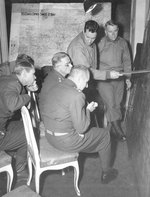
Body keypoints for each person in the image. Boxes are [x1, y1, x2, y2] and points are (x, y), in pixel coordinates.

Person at [39, 65, 118, 184]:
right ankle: (107, 172)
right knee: (105, 135)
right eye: (86, 82)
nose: (86, 86)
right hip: (65, 141)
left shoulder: (55, 87)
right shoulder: (77, 95)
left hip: (50, 136)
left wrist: (84, 110)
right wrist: (87, 111)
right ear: (80, 79)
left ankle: (96, 148)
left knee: (93, 134)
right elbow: (81, 129)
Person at [0, 57, 37, 179]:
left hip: (2, 125)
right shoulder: (13, 84)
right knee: (30, 133)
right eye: (33, 74)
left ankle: (16, 156)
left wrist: (27, 87)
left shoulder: (9, 79)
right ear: (25, 73)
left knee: (28, 126)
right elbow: (12, 104)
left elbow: (12, 92)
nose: (35, 77)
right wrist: (28, 96)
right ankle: (20, 167)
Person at [97, 20, 132, 141]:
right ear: (106, 31)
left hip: (119, 78)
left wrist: (128, 78)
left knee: (117, 104)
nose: (113, 34)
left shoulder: (123, 43)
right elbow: (93, 62)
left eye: (115, 31)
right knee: (111, 104)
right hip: (104, 79)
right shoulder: (100, 42)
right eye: (110, 31)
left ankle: (110, 131)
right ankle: (119, 132)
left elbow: (127, 61)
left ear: (118, 30)